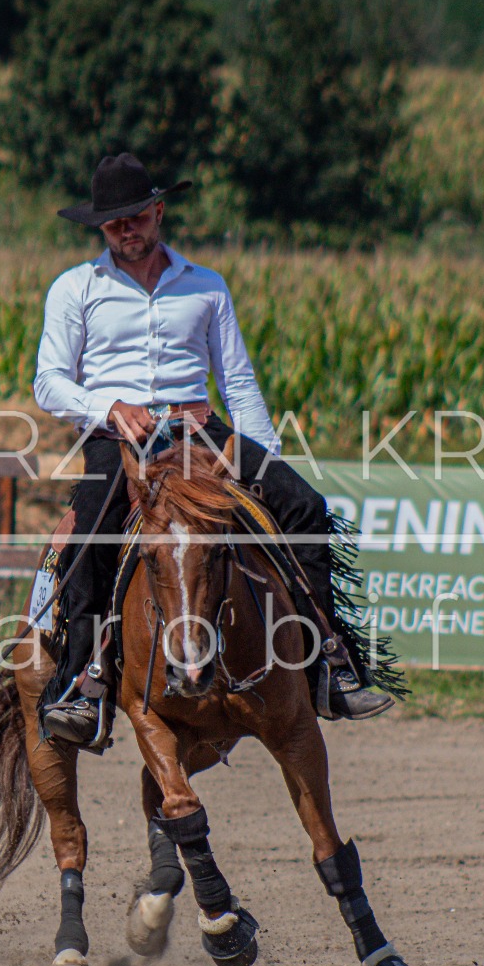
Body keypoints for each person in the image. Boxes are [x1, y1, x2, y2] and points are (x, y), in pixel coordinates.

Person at [32, 152, 393, 745]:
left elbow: (237, 382)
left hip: (203, 435)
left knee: (303, 507)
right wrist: (111, 409)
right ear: (100, 227)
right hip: (119, 440)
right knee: (92, 537)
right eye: (114, 222)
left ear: (159, 211)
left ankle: (330, 659)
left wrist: (264, 457)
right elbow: (49, 380)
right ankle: (84, 681)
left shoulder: (206, 286)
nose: (127, 230)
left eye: (137, 217)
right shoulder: (76, 289)